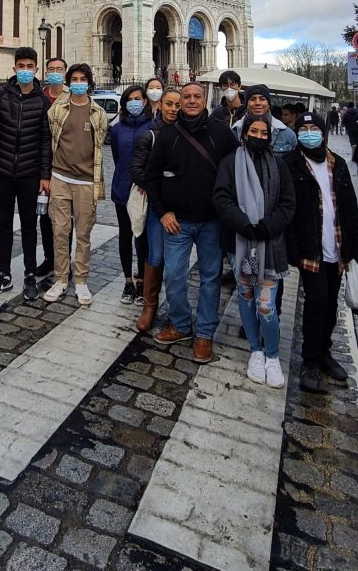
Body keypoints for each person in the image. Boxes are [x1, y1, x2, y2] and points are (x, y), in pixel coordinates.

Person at [144, 82, 238, 362]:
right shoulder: (167, 135)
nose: (193, 101)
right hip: (177, 222)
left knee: (210, 279)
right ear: (179, 101)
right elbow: (151, 177)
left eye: (198, 96)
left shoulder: (222, 134)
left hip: (211, 222)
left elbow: (236, 172)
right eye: (187, 97)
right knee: (174, 276)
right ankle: (181, 324)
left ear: (205, 99)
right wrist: (162, 212)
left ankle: (205, 334)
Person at [213, 114, 295, 387]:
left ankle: (272, 355)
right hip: (240, 241)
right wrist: (245, 226)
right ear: (245, 133)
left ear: (269, 136)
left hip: (270, 245)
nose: (259, 136)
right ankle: (255, 351)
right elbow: (221, 198)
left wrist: (266, 228)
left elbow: (287, 204)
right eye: (254, 131)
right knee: (246, 298)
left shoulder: (279, 165)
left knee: (266, 305)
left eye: (264, 132)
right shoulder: (229, 163)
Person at [284, 112, 358, 392]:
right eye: (304, 128)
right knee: (316, 302)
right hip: (309, 249)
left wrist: (354, 246)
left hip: (336, 247)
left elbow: (349, 207)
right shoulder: (290, 164)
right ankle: (310, 361)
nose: (309, 132)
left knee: (330, 305)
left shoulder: (336, 163)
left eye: (314, 128)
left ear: (324, 132)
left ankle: (325, 352)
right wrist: (294, 250)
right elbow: (288, 211)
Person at [0, 47, 51, 302]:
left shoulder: (43, 100)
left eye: (29, 66)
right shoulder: (0, 97)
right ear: (14, 68)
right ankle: (3, 274)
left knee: (29, 227)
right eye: (20, 65)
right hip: (0, 171)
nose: (25, 70)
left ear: (36, 69)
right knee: (3, 225)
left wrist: (45, 174)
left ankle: (30, 275)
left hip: (30, 173)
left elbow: (46, 141)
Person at [45, 62, 108, 306]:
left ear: (89, 83)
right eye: (75, 79)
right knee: (60, 232)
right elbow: (50, 138)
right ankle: (61, 278)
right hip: (60, 178)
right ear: (69, 82)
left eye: (83, 79)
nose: (79, 83)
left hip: (86, 182)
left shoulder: (98, 113)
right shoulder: (57, 109)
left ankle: (81, 280)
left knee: (83, 233)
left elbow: (100, 143)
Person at [131, 86, 181, 330]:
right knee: (156, 255)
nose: (173, 109)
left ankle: (176, 310)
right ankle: (149, 306)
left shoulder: (189, 132)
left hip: (184, 207)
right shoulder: (148, 135)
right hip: (157, 206)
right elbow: (137, 171)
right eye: (169, 104)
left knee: (176, 262)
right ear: (160, 105)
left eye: (177, 105)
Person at [111, 85, 154, 304]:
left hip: (143, 191)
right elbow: (117, 158)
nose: (134, 102)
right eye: (130, 99)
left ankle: (141, 282)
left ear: (145, 101)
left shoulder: (154, 125)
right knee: (125, 236)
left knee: (143, 239)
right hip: (122, 188)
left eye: (138, 98)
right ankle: (128, 282)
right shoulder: (117, 129)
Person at [36, 56, 71, 278]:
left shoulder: (73, 97)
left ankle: (64, 261)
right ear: (46, 72)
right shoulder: (39, 97)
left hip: (65, 166)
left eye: (59, 69)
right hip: (41, 166)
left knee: (65, 217)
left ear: (65, 72)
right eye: (51, 69)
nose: (55, 72)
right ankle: (50, 258)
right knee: (44, 215)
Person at [233, 85, 297, 155]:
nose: (257, 103)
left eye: (262, 99)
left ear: (269, 104)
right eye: (252, 99)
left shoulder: (287, 134)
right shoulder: (235, 131)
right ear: (247, 105)